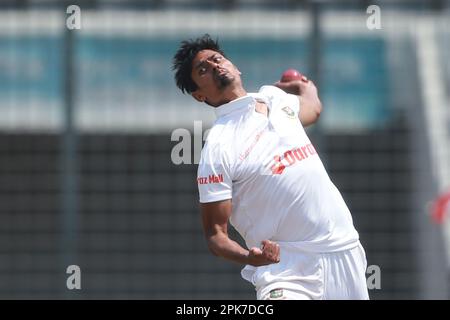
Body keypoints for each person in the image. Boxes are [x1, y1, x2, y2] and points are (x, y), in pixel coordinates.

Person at [172, 34, 369, 300]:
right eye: (203, 69)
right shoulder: (217, 147)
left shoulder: (276, 98)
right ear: (199, 95)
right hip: (285, 269)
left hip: (344, 250)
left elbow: (313, 109)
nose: (216, 65)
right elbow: (215, 236)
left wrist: (306, 86)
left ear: (235, 66)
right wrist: (248, 257)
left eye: (218, 58)